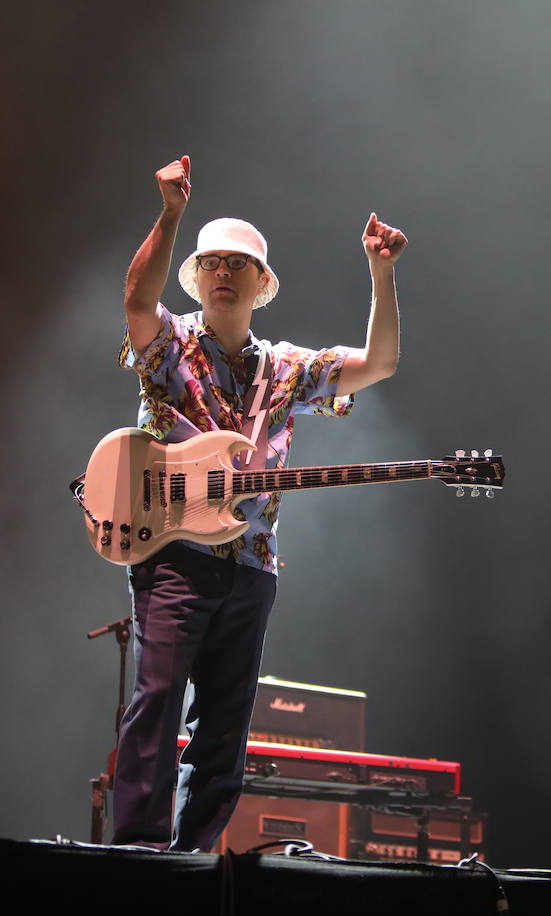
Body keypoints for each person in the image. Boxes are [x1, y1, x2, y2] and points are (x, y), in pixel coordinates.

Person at [110, 155, 407, 851]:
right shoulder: (172, 347)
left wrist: (382, 272)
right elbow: (133, 303)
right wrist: (172, 214)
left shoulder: (286, 368)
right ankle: (136, 858)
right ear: (197, 274)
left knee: (226, 727)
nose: (221, 271)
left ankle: (196, 859)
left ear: (259, 283)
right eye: (210, 261)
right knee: (156, 704)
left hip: (250, 567)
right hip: (173, 553)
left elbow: (382, 361)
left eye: (236, 263)